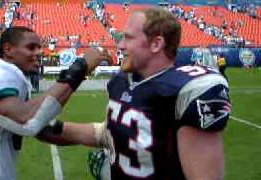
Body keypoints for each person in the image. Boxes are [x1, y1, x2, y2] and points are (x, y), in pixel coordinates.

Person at [32, 8, 231, 180]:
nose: (120, 46)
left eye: (128, 38)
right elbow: (111, 132)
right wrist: (53, 128)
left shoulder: (186, 90)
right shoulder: (122, 81)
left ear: (156, 44)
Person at [0, 26, 107, 180]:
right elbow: (28, 121)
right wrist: (81, 68)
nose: (39, 52)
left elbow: (44, 130)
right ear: (8, 49)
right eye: (31, 47)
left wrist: (100, 135)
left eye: (39, 47)